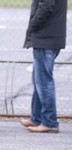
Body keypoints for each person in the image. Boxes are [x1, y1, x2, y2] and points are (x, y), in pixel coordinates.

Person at [20, 0, 67, 133]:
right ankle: (37, 117)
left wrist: (32, 27)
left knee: (44, 82)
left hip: (45, 38)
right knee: (38, 79)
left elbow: (45, 7)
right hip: (50, 37)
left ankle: (49, 121)